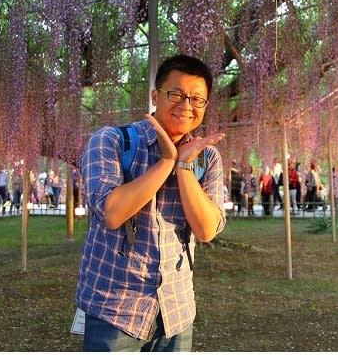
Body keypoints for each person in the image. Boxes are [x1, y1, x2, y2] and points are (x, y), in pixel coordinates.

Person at [75, 54, 226, 351]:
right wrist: (167, 161)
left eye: (197, 99)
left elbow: (207, 229)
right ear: (155, 96)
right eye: (176, 94)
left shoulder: (207, 158)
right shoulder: (111, 141)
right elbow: (112, 213)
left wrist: (184, 167)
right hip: (115, 309)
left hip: (176, 311)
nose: (186, 106)